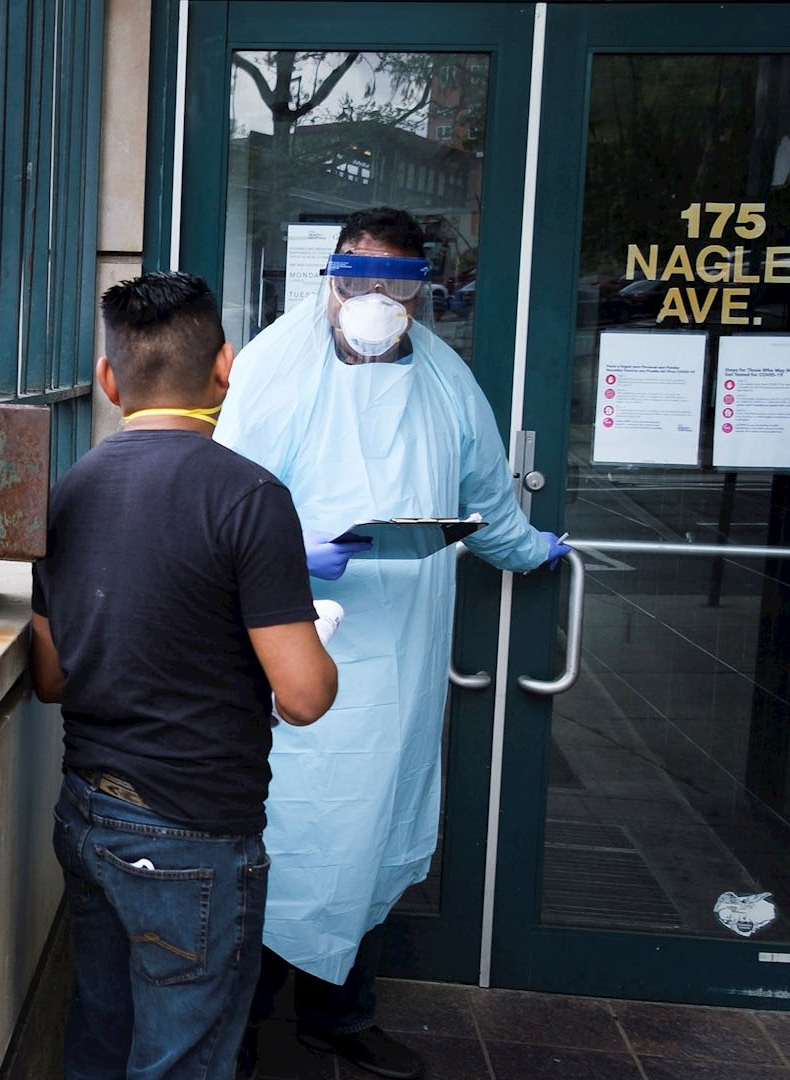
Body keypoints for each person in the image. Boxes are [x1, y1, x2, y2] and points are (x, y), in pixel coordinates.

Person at [214, 207, 570, 1080]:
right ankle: (245, 1020)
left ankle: (341, 1016)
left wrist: (536, 550)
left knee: (370, 826)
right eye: (359, 280)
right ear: (329, 280)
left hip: (402, 659)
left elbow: (486, 500)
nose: (376, 299)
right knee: (281, 826)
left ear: (423, 289)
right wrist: (284, 556)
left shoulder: (447, 384)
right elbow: (217, 502)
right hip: (293, 645)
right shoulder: (272, 369)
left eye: (396, 284)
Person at [29, 271, 339, 1080]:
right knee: (181, 1057)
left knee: (100, 1030)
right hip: (193, 832)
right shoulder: (250, 497)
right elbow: (303, 696)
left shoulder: (67, 492)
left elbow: (51, 676)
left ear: (108, 379)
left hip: (88, 813)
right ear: (225, 365)